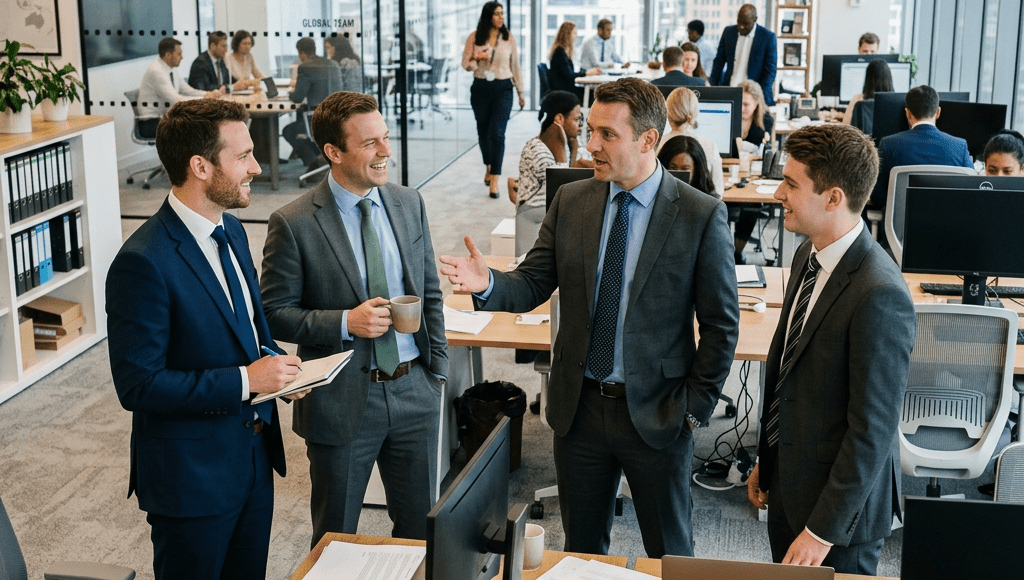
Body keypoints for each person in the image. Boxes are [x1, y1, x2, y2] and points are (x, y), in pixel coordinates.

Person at [439, 76, 739, 558]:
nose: (589, 144)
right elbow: (534, 281)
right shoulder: (573, 200)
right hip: (578, 411)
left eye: (606, 134)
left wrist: (693, 410)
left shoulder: (698, 215)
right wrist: (490, 283)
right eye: (591, 129)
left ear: (647, 140)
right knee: (582, 550)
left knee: (671, 551)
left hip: (658, 412)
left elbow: (722, 326)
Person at [106, 99, 306, 580]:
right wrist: (245, 380)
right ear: (200, 166)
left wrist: (278, 368)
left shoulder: (232, 230)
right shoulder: (143, 262)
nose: (257, 167)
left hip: (253, 463)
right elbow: (139, 386)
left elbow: (251, 331)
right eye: (243, 157)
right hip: (191, 479)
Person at [260, 91, 449, 548]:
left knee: (420, 533)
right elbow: (274, 316)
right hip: (340, 399)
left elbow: (429, 292)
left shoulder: (408, 203)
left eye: (385, 138)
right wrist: (346, 322)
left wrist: (436, 370)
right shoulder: (294, 221)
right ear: (333, 152)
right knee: (335, 537)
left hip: (414, 389)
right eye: (370, 143)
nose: (386, 151)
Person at [747, 123, 916, 575]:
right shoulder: (809, 253)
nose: (778, 192)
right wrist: (768, 458)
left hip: (839, 518)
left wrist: (822, 531)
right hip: (790, 483)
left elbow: (872, 432)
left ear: (833, 197)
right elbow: (788, 373)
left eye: (791, 183)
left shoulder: (879, 293)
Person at [870, 85, 973, 223]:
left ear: (907, 113)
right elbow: (972, 192)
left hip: (898, 235)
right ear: (938, 112)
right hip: (947, 232)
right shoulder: (959, 146)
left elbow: (877, 196)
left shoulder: (888, 144)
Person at [513, 90, 591, 255]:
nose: (581, 125)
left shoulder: (572, 142)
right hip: (534, 212)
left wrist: (575, 150)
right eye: (577, 120)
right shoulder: (535, 148)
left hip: (555, 210)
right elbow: (560, 185)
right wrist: (566, 154)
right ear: (560, 119)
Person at [461, 1, 525, 198]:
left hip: (503, 88)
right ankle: (488, 165)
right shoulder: (474, 37)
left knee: (497, 133)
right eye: (497, 14)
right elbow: (465, 64)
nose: (501, 17)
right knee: (483, 132)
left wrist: (521, 92)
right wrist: (476, 60)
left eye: (502, 13)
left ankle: (495, 177)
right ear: (488, 16)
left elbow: (515, 66)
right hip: (481, 87)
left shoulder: (508, 38)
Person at [137, 37, 222, 138]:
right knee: (198, 127)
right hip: (151, 123)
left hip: (164, 118)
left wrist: (207, 94)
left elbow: (186, 90)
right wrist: (205, 99)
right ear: (168, 55)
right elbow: (176, 100)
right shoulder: (157, 72)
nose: (182, 57)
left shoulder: (170, 69)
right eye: (179, 54)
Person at [283, 37, 343, 172]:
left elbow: (298, 97)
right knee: (301, 117)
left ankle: (314, 161)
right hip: (337, 119)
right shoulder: (333, 64)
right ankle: (319, 158)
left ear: (302, 53)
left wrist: (290, 94)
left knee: (289, 131)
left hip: (318, 120)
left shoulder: (305, 67)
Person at [659, 87, 723, 196]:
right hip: (700, 208)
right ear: (695, 113)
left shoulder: (655, 144)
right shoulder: (709, 146)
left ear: (667, 113)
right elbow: (718, 192)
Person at [710, 4, 778, 105]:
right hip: (730, 91)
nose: (741, 27)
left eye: (746, 23)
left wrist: (760, 96)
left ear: (755, 19)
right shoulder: (728, 32)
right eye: (739, 22)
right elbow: (718, 62)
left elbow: (770, 71)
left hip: (754, 95)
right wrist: (711, 89)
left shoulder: (768, 37)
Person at [547, 21, 600, 102]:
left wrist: (585, 72)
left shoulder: (562, 51)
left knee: (593, 93)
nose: (576, 36)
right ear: (567, 34)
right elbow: (569, 76)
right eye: (574, 33)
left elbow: (569, 74)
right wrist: (587, 72)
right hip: (564, 90)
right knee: (594, 94)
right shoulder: (560, 53)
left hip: (565, 88)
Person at [841, 59, 893, 126]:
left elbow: (845, 126)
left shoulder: (857, 99)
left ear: (868, 80)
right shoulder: (896, 102)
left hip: (862, 136)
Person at [739, 79, 774, 146]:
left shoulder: (766, 120)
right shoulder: (730, 116)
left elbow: (766, 149)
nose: (741, 109)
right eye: (739, 103)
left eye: (746, 104)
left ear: (756, 105)